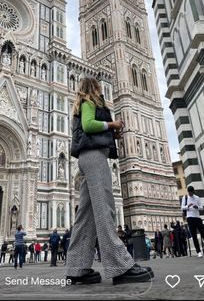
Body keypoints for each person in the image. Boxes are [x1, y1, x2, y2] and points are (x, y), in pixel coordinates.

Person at [65, 77, 154, 285]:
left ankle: (77, 268)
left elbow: (90, 126)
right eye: (98, 88)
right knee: (105, 209)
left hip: (89, 157)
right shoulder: (88, 103)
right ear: (94, 88)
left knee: (85, 214)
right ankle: (120, 266)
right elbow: (88, 125)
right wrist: (111, 123)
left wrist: (109, 131)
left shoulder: (82, 105)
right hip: (95, 157)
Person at [182, 186, 204, 257]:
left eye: (191, 193)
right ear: (188, 191)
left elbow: (202, 207)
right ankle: (198, 252)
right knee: (194, 236)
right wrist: (187, 206)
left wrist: (197, 207)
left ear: (193, 191)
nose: (190, 194)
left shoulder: (197, 198)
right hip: (190, 218)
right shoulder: (185, 197)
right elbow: (182, 207)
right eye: (189, 193)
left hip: (197, 217)